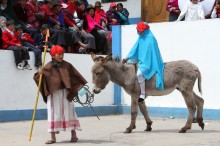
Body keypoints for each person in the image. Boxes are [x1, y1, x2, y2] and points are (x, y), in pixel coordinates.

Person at [33, 45, 87, 144]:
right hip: (54, 94)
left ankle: (74, 135)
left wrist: (77, 87)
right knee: (53, 113)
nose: (61, 56)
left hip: (66, 93)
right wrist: (39, 73)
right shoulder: (48, 66)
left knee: (70, 112)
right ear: (53, 55)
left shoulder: (67, 65)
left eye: (62, 54)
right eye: (59, 54)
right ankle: (53, 138)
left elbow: (75, 77)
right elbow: (39, 79)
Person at [122, 21, 164, 103]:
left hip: (151, 62)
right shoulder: (140, 37)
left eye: (140, 30)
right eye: (138, 30)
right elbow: (135, 49)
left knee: (139, 74)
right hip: (142, 60)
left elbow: (153, 54)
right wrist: (127, 58)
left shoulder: (151, 39)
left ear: (145, 30)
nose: (139, 31)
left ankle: (143, 93)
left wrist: (144, 60)